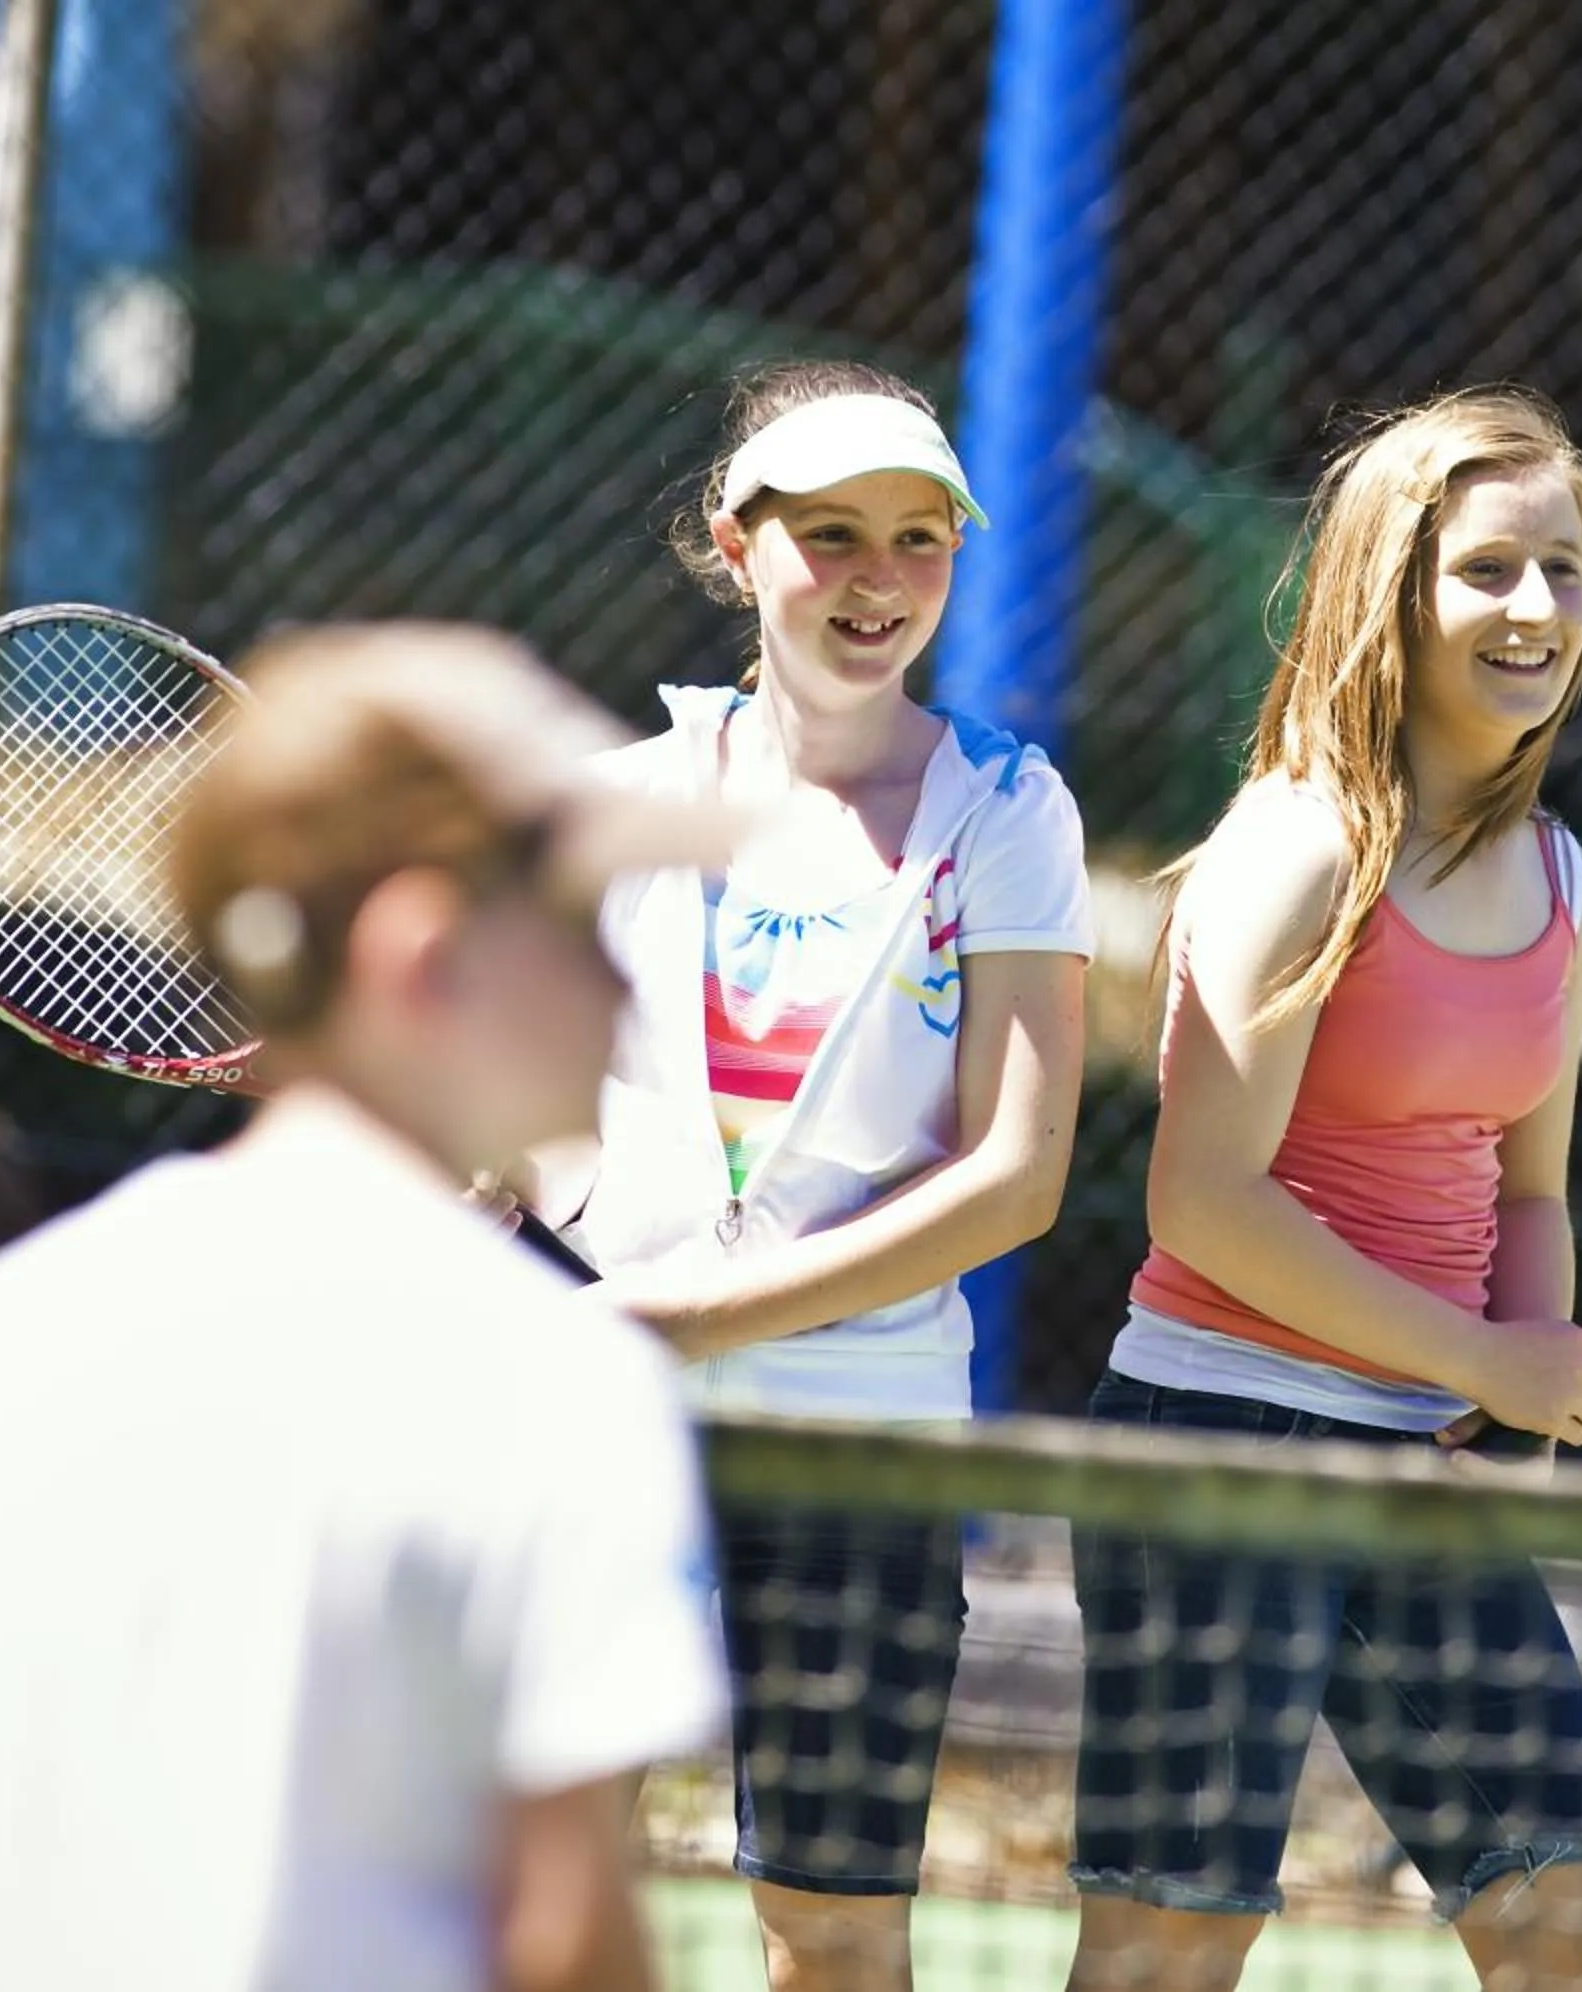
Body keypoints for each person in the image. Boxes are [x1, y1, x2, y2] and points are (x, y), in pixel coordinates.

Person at [0, 625, 741, 1992]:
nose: (626, 997)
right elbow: (563, 1933)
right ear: (426, 955)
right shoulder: (559, 1381)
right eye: (585, 928)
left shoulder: (32, 1308)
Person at [1063, 388, 1582, 1992]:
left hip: (1423, 1473)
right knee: (1166, 1953)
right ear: (1387, 593)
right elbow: (1201, 1201)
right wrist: (1482, 1363)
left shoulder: (1566, 882)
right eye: (1486, 571)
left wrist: (1515, 1421)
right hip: (1221, 1447)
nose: (1536, 609)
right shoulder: (1296, 848)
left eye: (1567, 568)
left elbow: (1526, 1195)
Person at [534, 358, 1093, 1991]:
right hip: (606, 1429)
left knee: (833, 1936)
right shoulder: (613, 807)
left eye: (919, 539)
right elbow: (533, 1107)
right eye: (832, 533)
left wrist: (696, 1319)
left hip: (868, 1442)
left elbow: (1016, 1172)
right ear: (735, 539)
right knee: (547, 1899)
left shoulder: (1009, 811)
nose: (877, 579)